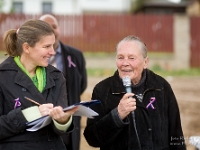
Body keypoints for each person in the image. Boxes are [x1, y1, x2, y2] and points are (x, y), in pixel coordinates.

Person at [84, 35, 186, 150]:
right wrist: (116, 116)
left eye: (132, 58)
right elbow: (91, 138)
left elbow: (176, 134)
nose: (125, 63)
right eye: (120, 57)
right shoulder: (103, 90)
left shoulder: (161, 87)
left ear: (145, 62)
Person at [0, 19, 79, 150]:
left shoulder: (57, 76)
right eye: (46, 47)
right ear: (27, 48)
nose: (53, 52)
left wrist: (63, 121)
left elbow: (61, 130)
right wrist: (30, 114)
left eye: (53, 46)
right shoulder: (2, 76)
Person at [39, 14, 87, 150]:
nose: (51, 30)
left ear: (59, 29)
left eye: (54, 26)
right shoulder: (32, 57)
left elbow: (81, 85)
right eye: (46, 27)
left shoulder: (76, 55)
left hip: (69, 125)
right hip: (41, 127)